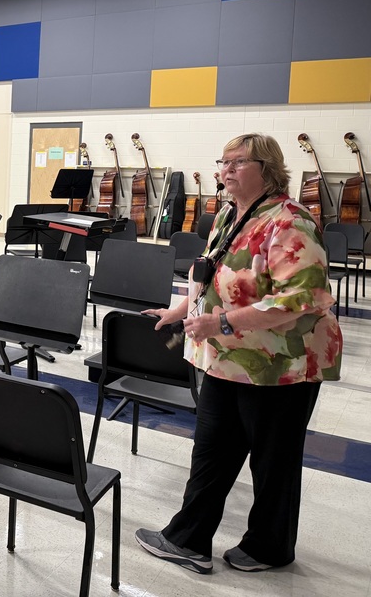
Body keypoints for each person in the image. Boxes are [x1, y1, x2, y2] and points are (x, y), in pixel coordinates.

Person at [136, 133, 342, 575]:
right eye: (223, 161)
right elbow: (209, 273)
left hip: (283, 363)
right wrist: (179, 310)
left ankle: (269, 548)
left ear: (267, 169)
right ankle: (187, 539)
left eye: (237, 162)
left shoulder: (291, 222)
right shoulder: (229, 213)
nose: (225, 169)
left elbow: (301, 300)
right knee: (211, 450)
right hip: (228, 358)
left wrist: (223, 322)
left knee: (273, 461)